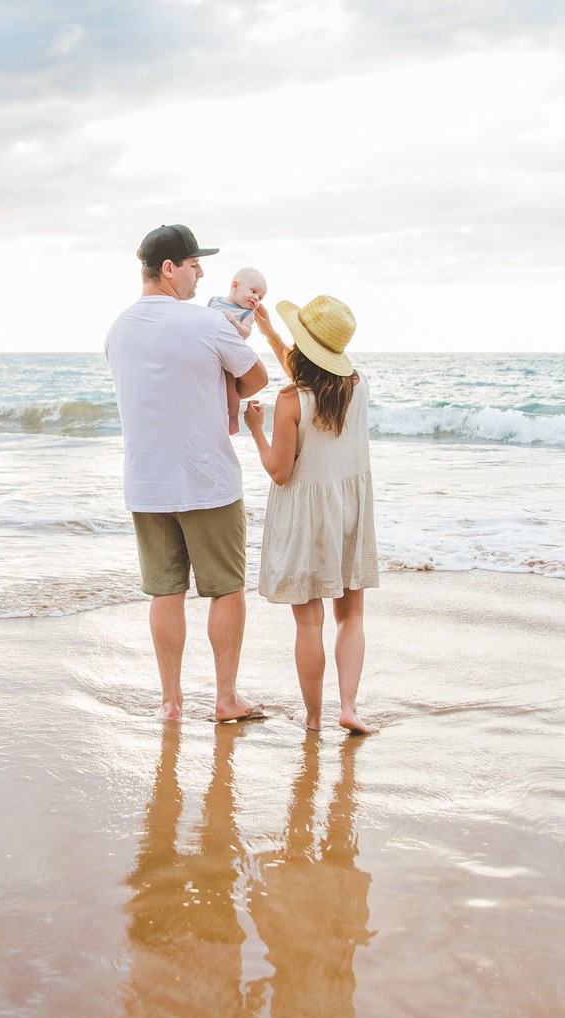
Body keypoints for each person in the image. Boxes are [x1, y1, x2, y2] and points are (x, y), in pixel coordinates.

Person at [105, 224, 271, 723]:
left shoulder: (117, 329)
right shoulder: (204, 323)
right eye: (195, 264)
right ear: (169, 269)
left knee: (165, 591)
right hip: (207, 478)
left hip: (147, 481)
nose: (203, 272)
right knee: (226, 589)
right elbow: (257, 377)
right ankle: (225, 699)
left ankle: (171, 703)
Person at [244, 295, 379, 734]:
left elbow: (280, 473)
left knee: (309, 621)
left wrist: (256, 432)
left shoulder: (289, 401)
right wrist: (270, 334)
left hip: (306, 517)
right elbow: (314, 377)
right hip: (348, 513)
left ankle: (316, 717)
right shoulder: (357, 386)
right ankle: (350, 708)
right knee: (351, 615)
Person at [205, 267, 268, 434]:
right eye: (253, 291)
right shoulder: (214, 301)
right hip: (209, 352)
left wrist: (235, 323)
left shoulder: (247, 313)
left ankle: (232, 419)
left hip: (228, 356)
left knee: (230, 387)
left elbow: (246, 333)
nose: (256, 298)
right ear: (235, 286)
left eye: (260, 297)